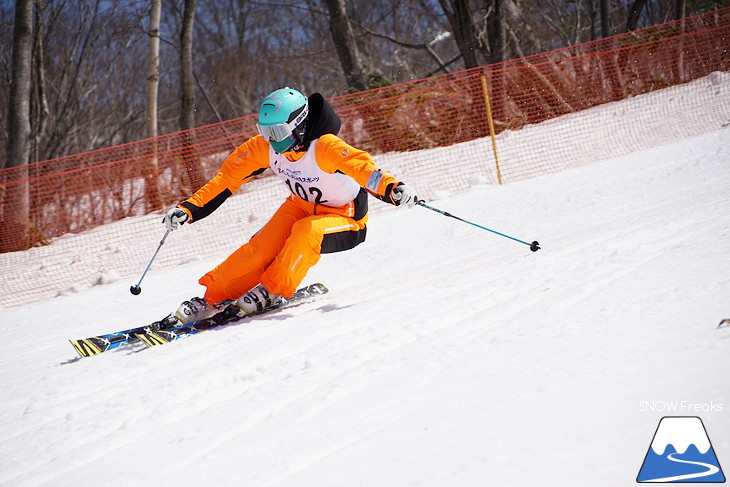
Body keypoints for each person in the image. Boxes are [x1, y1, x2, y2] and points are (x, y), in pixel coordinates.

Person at [163, 87, 419, 323]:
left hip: (346, 218)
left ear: (298, 126)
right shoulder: (264, 148)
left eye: (277, 133)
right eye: (265, 132)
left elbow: (364, 169)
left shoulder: (325, 147)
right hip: (300, 206)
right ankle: (214, 297)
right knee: (260, 249)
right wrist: (188, 208)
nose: (271, 141)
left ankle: (273, 290)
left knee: (307, 231)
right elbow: (226, 180)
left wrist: (392, 188)